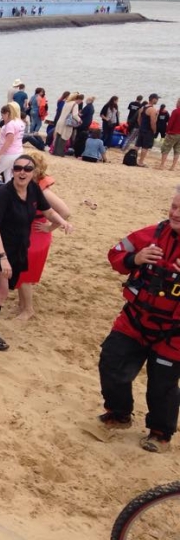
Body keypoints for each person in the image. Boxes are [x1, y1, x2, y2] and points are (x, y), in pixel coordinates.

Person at [97, 187, 180, 453]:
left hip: (174, 334)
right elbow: (115, 255)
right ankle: (119, 413)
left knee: (162, 385)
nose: (175, 213)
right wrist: (135, 258)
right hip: (135, 319)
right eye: (174, 206)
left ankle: (160, 433)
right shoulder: (151, 235)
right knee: (111, 362)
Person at [0, 154, 73, 350]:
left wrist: (62, 222)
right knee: (1, 290)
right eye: (17, 168)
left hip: (17, 247)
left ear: (33, 172)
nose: (22, 172)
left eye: (27, 169)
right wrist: (2, 258)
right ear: (12, 171)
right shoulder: (3, 194)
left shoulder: (33, 189)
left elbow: (49, 211)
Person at [13, 152, 71, 320]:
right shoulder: (30, 186)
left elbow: (65, 212)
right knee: (21, 269)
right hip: (28, 231)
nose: (22, 171)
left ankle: (28, 309)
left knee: (25, 272)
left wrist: (50, 227)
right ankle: (22, 305)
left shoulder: (43, 191)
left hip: (37, 233)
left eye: (27, 168)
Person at [0, 103, 26, 182]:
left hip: (8, 153)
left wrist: (0, 154)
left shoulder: (10, 124)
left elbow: (9, 140)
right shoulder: (20, 122)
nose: (2, 117)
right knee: (8, 174)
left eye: (2, 115)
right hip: (18, 151)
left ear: (7, 113)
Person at [157, 98, 180, 171]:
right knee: (177, 151)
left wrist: (167, 131)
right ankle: (173, 167)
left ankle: (162, 165)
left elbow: (170, 122)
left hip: (173, 133)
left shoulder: (176, 111)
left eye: (177, 102)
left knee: (166, 149)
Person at [137, 93, 159, 167]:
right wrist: (154, 130)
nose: (157, 100)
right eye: (157, 99)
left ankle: (133, 158)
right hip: (148, 131)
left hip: (142, 129)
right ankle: (140, 162)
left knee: (137, 145)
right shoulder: (152, 109)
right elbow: (153, 122)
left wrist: (141, 126)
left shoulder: (142, 108)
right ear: (153, 99)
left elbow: (139, 119)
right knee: (145, 147)